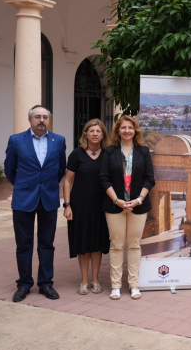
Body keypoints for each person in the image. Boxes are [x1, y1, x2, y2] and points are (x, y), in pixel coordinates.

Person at [4, 105, 66, 302]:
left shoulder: (59, 141)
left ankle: (46, 283)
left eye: (45, 117)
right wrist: (23, 186)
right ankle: (23, 284)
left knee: (47, 244)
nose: (41, 120)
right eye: (38, 117)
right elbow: (9, 169)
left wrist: (47, 185)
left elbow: (60, 169)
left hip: (48, 198)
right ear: (30, 119)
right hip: (24, 199)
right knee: (23, 244)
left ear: (49, 120)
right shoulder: (16, 140)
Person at [100, 115, 155, 300]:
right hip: (115, 205)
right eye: (123, 128)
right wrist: (117, 200)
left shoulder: (143, 151)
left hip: (138, 206)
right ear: (118, 131)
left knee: (134, 245)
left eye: (130, 128)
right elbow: (104, 178)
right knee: (116, 245)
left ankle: (133, 285)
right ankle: (115, 285)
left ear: (135, 130)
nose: (127, 131)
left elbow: (149, 179)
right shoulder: (110, 152)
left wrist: (139, 199)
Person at [63, 119, 111, 295]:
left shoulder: (108, 154)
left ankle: (96, 280)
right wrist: (67, 205)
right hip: (79, 205)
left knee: (97, 244)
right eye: (91, 131)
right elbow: (68, 181)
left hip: (101, 206)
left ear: (103, 134)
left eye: (98, 131)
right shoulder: (77, 154)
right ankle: (84, 280)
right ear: (85, 134)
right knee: (83, 244)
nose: (95, 134)